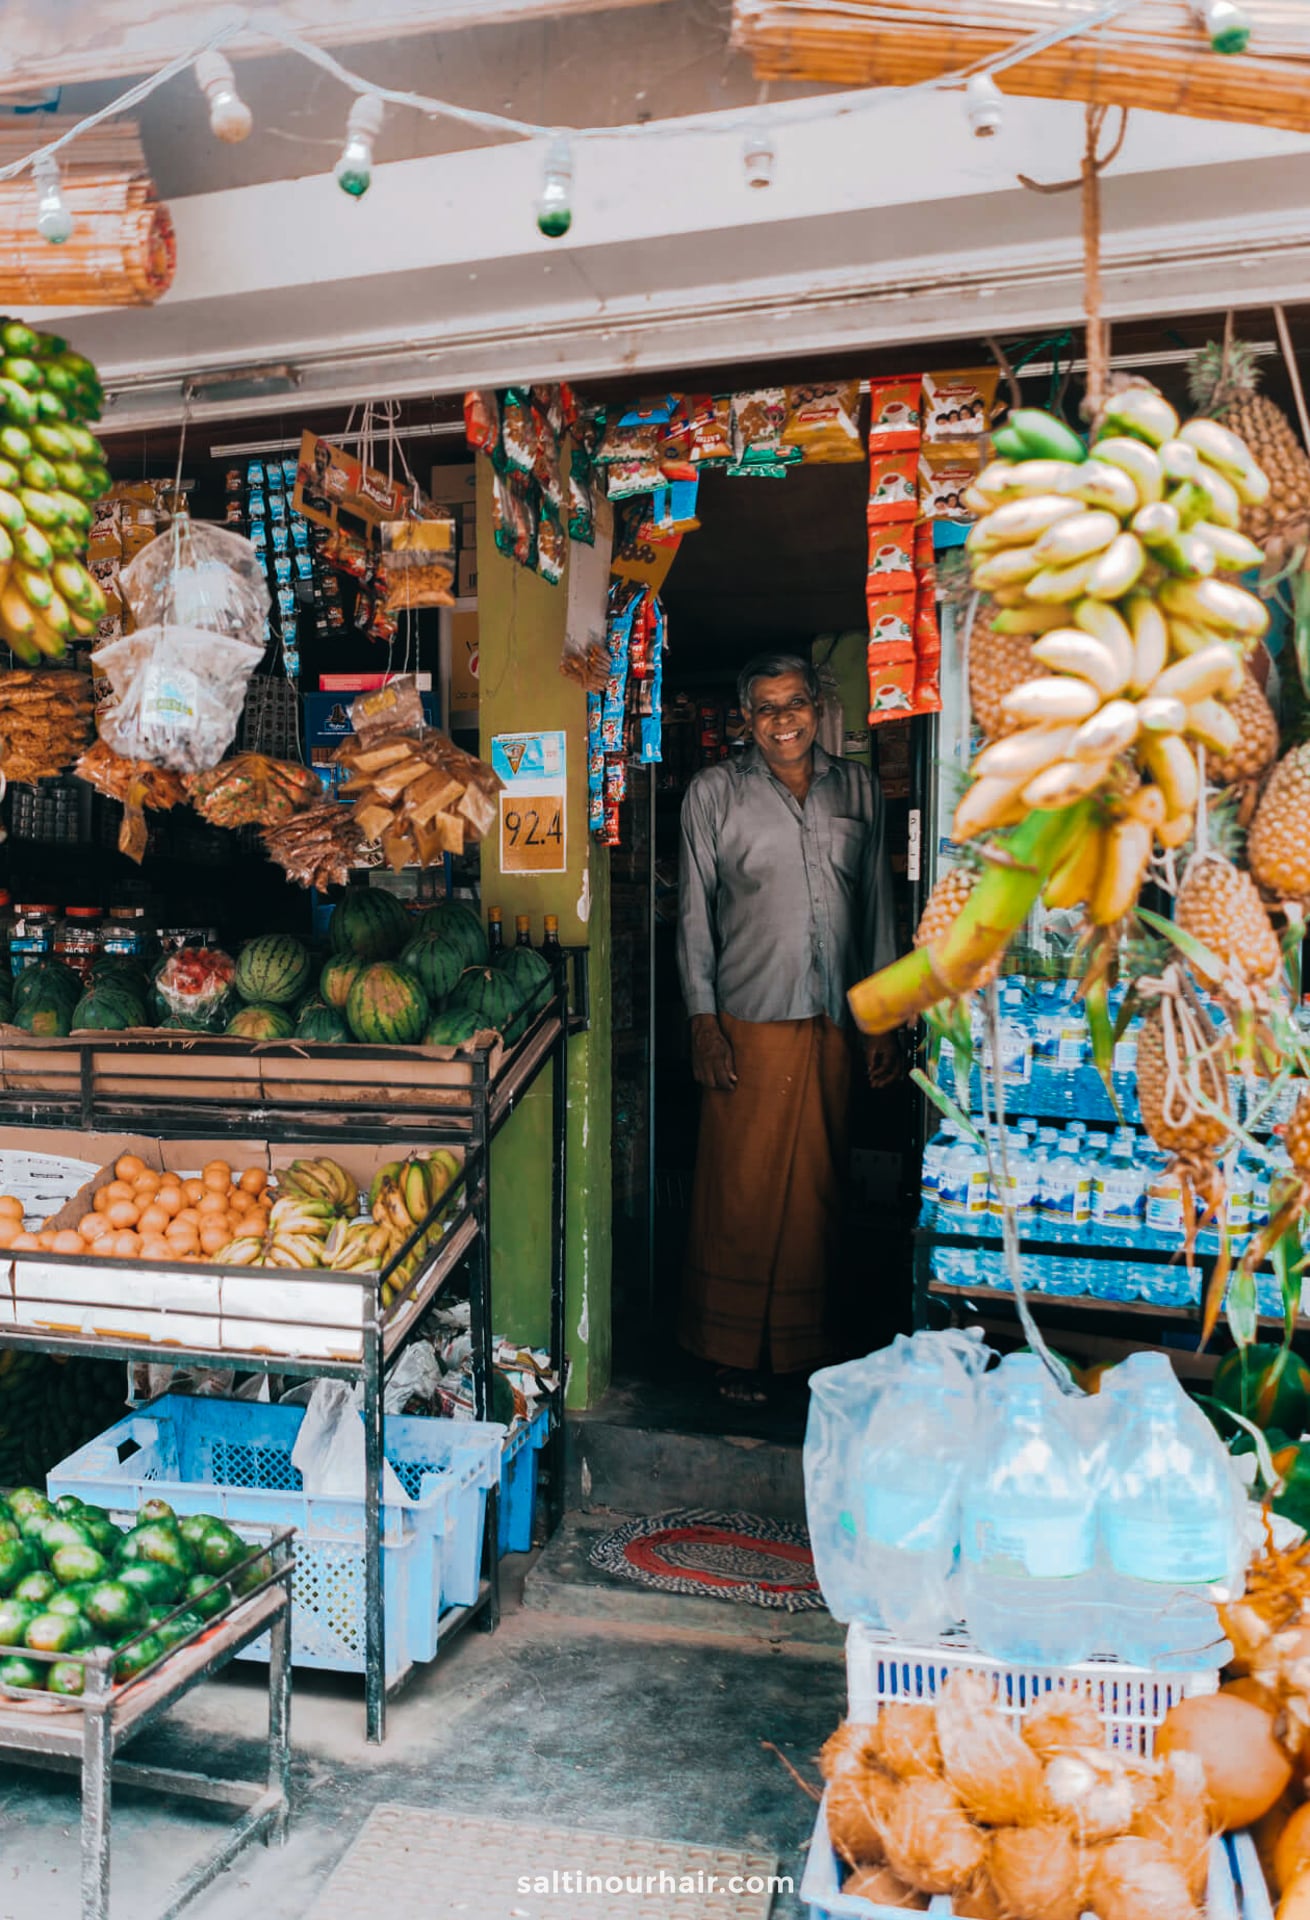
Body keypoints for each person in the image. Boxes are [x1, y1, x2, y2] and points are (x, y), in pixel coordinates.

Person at [676, 652, 899, 1403]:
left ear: (817, 708)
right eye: (765, 707)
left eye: (795, 703)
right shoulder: (714, 793)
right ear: (745, 718)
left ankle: (812, 1346)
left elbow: (876, 907)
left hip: (833, 1015)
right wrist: (703, 1022)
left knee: (819, 1189)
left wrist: (881, 1022)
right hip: (748, 1017)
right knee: (738, 1190)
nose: (782, 721)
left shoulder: (858, 786)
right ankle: (729, 1349)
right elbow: (693, 919)